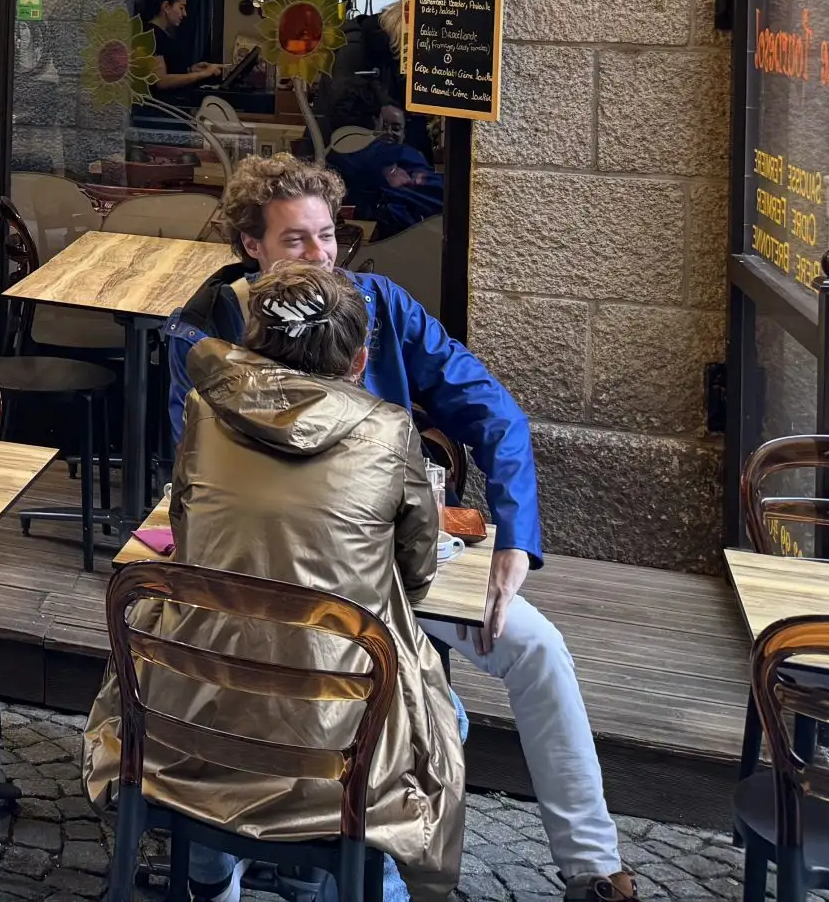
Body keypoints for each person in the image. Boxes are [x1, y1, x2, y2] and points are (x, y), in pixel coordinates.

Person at [163, 157, 640, 902]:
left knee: (538, 647)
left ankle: (591, 866)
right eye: (297, 242)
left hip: (385, 569)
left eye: (328, 238)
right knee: (390, 703)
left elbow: (496, 414)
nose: (321, 257)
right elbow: (191, 476)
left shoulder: (376, 305)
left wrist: (514, 539)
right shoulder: (206, 333)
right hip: (270, 573)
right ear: (251, 246)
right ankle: (259, 848)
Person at [87, 265, 464, 902]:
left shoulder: (205, 410)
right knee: (444, 715)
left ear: (253, 342)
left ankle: (208, 876)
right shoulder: (390, 429)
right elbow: (416, 570)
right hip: (331, 748)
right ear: (359, 361)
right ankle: (338, 883)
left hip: (184, 722)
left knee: (210, 659)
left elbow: (187, 531)